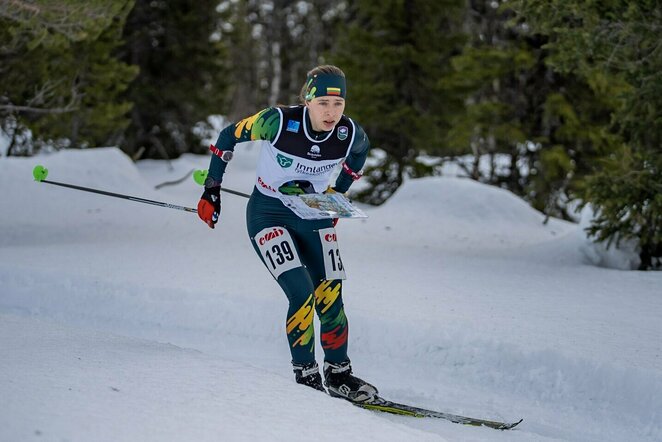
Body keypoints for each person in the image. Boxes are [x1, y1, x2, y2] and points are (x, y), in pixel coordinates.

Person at [197, 65, 377, 403]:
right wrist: (212, 189)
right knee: (302, 292)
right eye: (323, 102)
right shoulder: (276, 122)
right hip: (268, 214)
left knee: (331, 293)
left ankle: (339, 374)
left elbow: (358, 155)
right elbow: (227, 136)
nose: (331, 112)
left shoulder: (349, 133)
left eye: (338, 105)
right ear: (308, 100)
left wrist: (336, 195)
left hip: (312, 212)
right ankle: (306, 373)